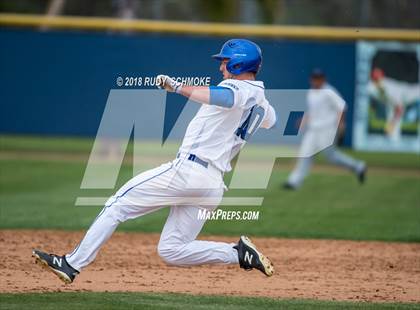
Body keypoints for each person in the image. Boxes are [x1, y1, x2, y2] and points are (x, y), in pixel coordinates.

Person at [32, 39, 277, 283]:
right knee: (172, 249)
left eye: (225, 61)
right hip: (212, 185)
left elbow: (224, 98)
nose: (220, 67)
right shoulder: (261, 102)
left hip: (189, 171)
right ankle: (238, 255)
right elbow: (270, 120)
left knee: (117, 205)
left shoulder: (237, 91)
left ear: (237, 63)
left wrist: (179, 87)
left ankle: (71, 264)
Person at [283, 69, 367, 190]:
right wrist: (304, 120)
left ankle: (358, 166)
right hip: (313, 129)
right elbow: (312, 110)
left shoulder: (329, 91)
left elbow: (342, 107)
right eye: (314, 78)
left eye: (318, 78)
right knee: (304, 153)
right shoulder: (311, 92)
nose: (315, 80)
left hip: (327, 129)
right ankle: (293, 182)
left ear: (323, 79)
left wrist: (341, 124)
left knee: (331, 157)